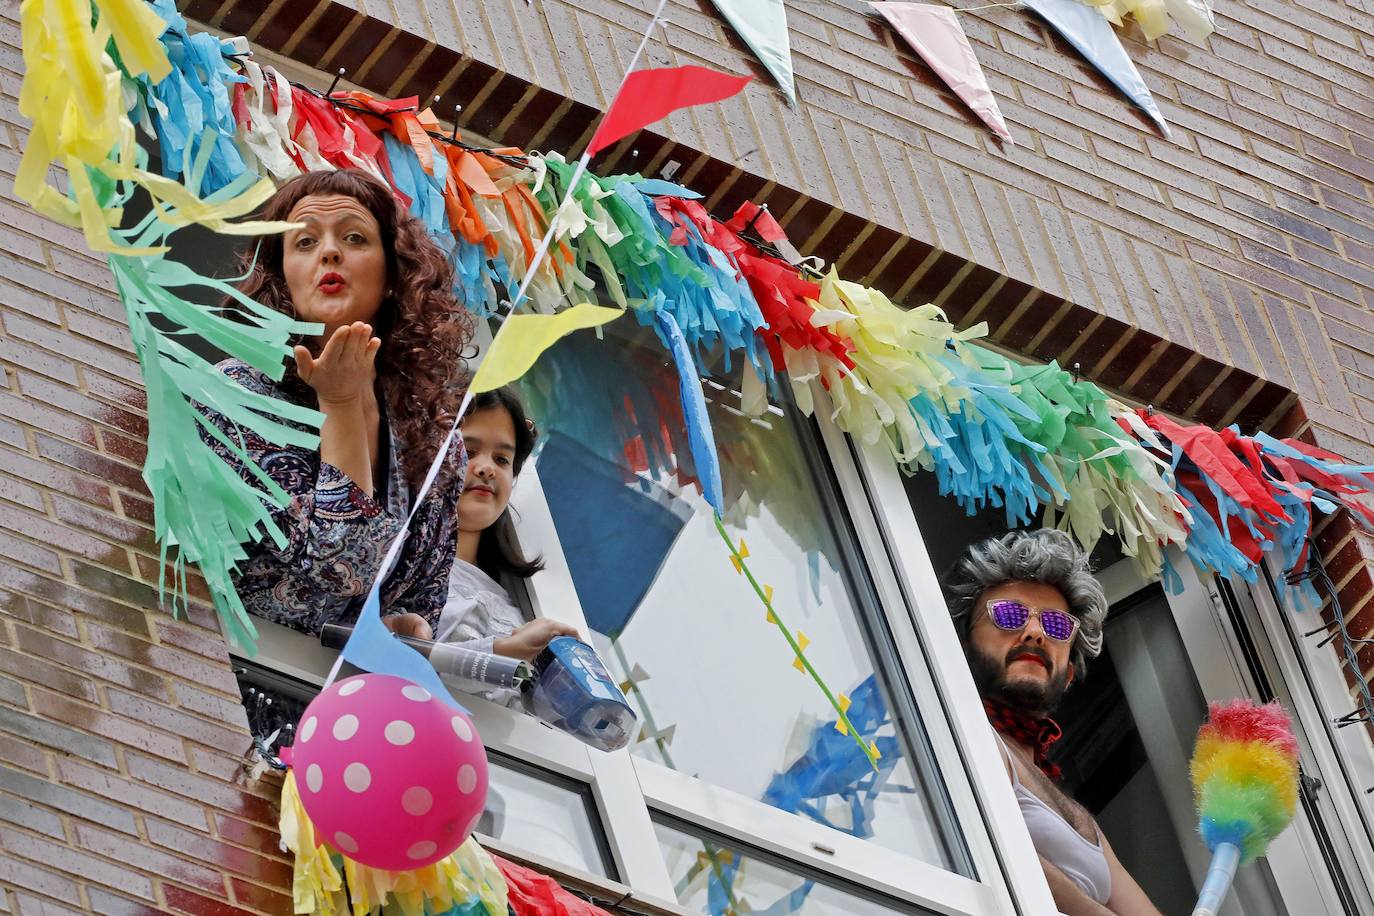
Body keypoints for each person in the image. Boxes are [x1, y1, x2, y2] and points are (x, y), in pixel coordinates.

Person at [198, 168, 470, 638]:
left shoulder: (438, 438)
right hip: (237, 683)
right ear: (283, 278)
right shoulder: (234, 396)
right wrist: (340, 401)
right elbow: (339, 564)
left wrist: (407, 626)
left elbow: (424, 599)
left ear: (393, 274)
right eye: (303, 243)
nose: (329, 252)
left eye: (354, 237)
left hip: (348, 703)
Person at [944, 529, 1161, 916]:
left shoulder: (1084, 824)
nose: (1035, 633)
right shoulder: (959, 733)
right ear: (963, 647)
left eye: (1057, 626)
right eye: (1009, 616)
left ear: (1069, 675)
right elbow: (994, 847)